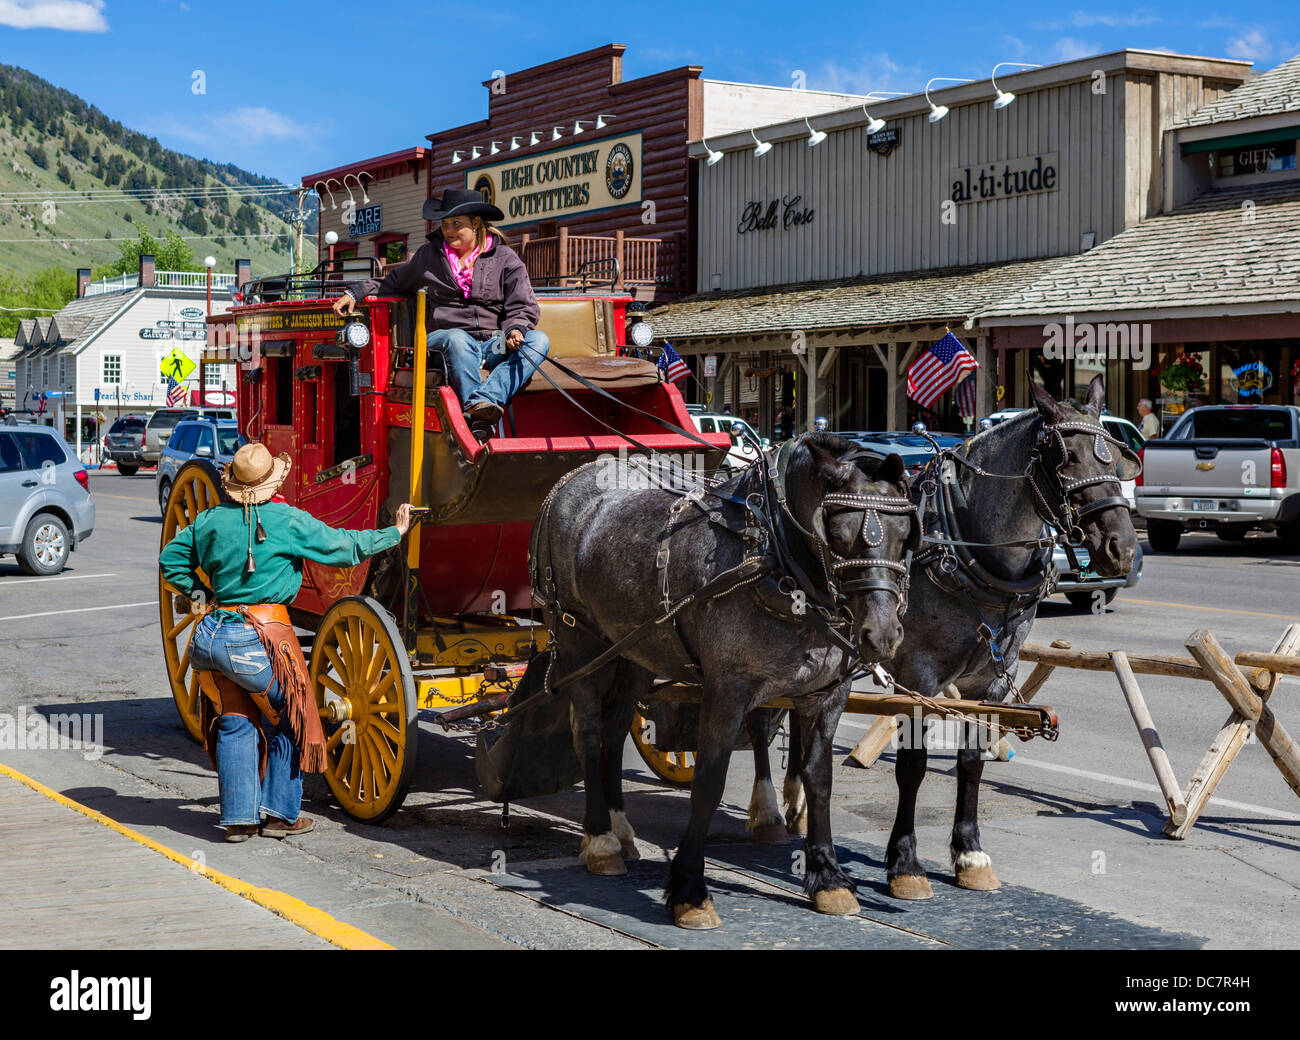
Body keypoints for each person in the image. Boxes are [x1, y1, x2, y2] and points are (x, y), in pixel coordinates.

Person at [159, 442, 413, 842]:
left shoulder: (209, 520)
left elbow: (169, 560)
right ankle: (279, 816)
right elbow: (344, 547)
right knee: (288, 720)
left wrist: (201, 598)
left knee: (236, 722)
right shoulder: (287, 520)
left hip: (212, 637)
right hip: (260, 638)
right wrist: (394, 532)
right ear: (271, 483)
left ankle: (239, 822)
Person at [333, 188, 549, 441]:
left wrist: (516, 329)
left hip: (493, 343)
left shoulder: (505, 258)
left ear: (476, 224)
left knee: (538, 341)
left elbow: (521, 305)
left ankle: (483, 402)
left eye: (456, 223)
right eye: (445, 224)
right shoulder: (429, 256)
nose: (448, 230)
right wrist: (356, 291)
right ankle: (477, 420)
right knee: (457, 338)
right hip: (441, 345)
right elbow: (393, 281)